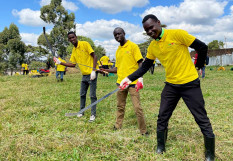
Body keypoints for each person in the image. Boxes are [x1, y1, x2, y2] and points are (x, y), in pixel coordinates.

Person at [119, 14, 215, 160]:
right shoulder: (152, 46)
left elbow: (202, 47)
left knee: (201, 117)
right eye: (147, 30)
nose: (150, 32)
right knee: (162, 116)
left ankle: (210, 153)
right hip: (171, 85)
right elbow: (145, 66)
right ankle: (161, 146)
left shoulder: (177, 34)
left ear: (159, 23)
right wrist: (129, 78)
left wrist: (199, 65)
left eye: (151, 27)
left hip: (190, 84)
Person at [101, 27, 148, 135]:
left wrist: (140, 78)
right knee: (120, 106)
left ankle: (143, 130)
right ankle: (118, 125)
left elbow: (140, 63)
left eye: (119, 34)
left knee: (137, 107)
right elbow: (117, 69)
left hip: (133, 83)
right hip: (121, 83)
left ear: (124, 33)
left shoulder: (133, 46)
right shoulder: (118, 50)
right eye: (115, 35)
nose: (117, 36)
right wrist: (106, 70)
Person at [54, 31, 98, 122]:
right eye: (70, 38)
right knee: (82, 94)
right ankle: (81, 111)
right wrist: (60, 62)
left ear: (76, 37)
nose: (72, 39)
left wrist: (93, 70)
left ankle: (93, 114)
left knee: (92, 95)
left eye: (73, 37)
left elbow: (95, 56)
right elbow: (73, 64)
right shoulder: (73, 50)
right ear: (68, 40)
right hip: (84, 75)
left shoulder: (85, 44)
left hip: (92, 73)